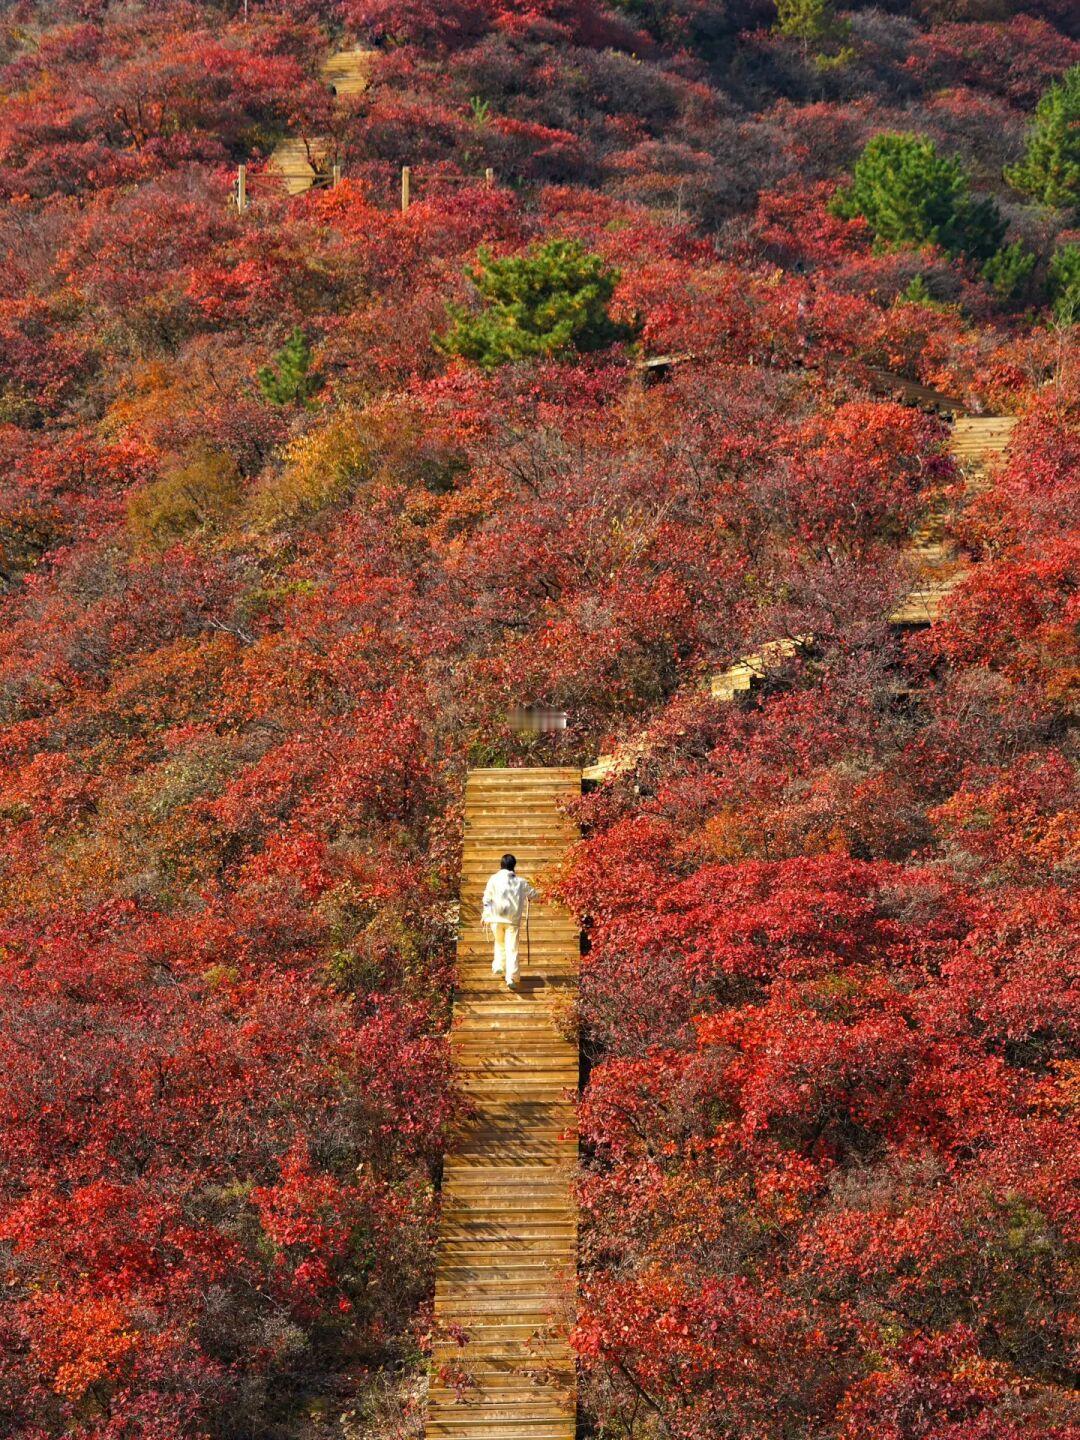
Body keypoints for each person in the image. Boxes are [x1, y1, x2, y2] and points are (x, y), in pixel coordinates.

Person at [481, 853, 537, 990]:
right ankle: (511, 976)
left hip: (495, 918)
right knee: (512, 948)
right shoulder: (521, 882)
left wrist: (485, 914)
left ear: (501, 865)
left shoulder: (493, 879)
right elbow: (534, 895)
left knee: (499, 942)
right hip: (512, 921)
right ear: (514, 866)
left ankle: (499, 965)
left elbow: (487, 899)